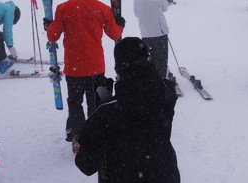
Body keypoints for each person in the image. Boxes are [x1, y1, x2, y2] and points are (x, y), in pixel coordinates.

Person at [75, 37, 180, 182]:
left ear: (119, 67)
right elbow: (139, 100)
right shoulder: (165, 93)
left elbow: (86, 164)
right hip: (165, 174)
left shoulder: (107, 114)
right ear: (147, 59)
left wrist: (100, 108)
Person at [45, 0, 124, 151]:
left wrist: (48, 25)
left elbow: (53, 36)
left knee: (75, 102)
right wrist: (119, 22)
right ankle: (96, 134)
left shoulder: (64, 8)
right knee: (95, 101)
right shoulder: (102, 8)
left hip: (74, 68)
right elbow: (115, 34)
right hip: (96, 65)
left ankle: (77, 137)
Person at [133, 0, 171, 78]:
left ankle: (151, 77)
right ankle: (161, 78)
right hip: (160, 33)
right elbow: (165, 8)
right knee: (161, 58)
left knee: (149, 57)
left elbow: (136, 14)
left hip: (145, 34)